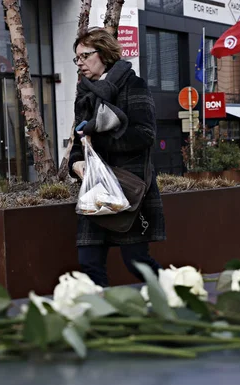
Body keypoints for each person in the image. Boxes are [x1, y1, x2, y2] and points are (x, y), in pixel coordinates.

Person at [68, 28, 166, 287]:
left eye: (85, 56)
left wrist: (99, 137)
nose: (80, 63)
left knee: (137, 261)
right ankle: (103, 320)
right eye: (76, 58)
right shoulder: (84, 93)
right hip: (95, 191)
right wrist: (76, 163)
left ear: (104, 53)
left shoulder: (133, 85)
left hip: (127, 188)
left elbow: (145, 135)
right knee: (88, 261)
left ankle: (175, 295)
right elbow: (79, 138)